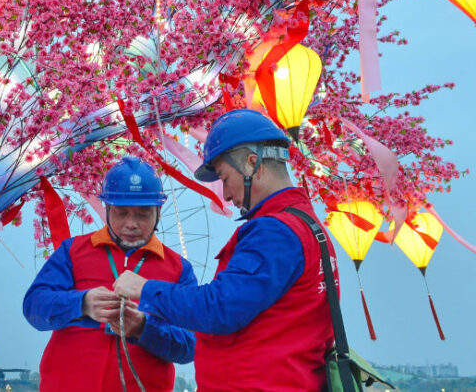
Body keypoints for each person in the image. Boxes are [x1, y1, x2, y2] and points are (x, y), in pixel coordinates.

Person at [114, 109, 339, 392]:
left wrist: (145, 289)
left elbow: (220, 308)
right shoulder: (305, 225)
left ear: (251, 163)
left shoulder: (274, 232)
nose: (227, 195)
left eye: (224, 178)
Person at [23, 157, 197, 392]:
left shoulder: (178, 269)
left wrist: (144, 328)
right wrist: (82, 303)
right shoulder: (72, 251)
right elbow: (33, 307)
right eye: (121, 213)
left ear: (158, 212)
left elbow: (190, 346)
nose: (131, 224)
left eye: (143, 214)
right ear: (107, 209)